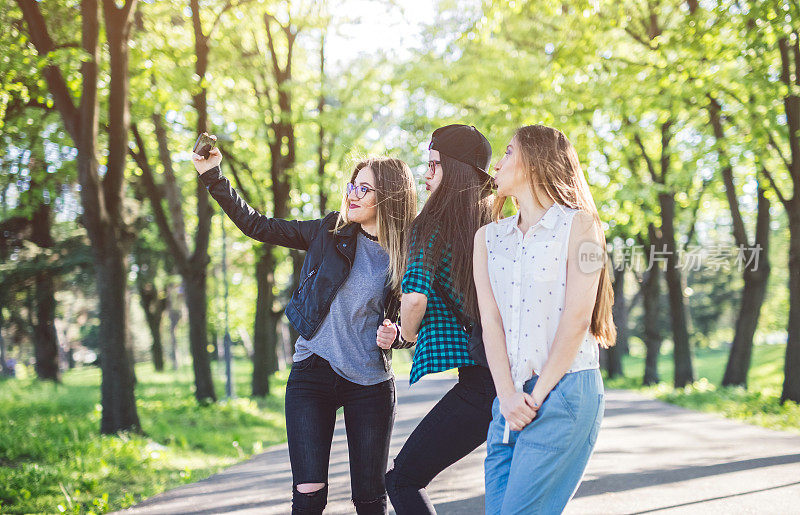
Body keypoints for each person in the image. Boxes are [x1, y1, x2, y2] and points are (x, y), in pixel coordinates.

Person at [192, 147, 417, 515]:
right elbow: (259, 225)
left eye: (364, 189)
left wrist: (400, 337)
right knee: (309, 494)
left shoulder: (408, 252)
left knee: (369, 498)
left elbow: (413, 322)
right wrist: (213, 176)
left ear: (390, 196)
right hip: (313, 372)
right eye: (351, 186)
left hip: (371, 382)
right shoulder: (330, 231)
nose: (352, 195)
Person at [474, 124, 616, 514]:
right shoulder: (487, 239)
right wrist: (507, 398)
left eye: (507, 153)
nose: (497, 164)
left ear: (535, 162)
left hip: (564, 392)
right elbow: (491, 323)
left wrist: (533, 399)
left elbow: (576, 319)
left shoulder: (583, 227)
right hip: (509, 400)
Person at [379, 124, 497, 514]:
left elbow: (413, 297)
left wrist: (405, 338)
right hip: (518, 377)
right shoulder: (495, 225)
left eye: (434, 166)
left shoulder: (430, 225)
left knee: (402, 477)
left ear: (457, 172)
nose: (425, 176)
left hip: (481, 387)